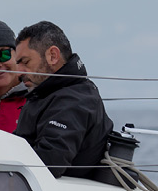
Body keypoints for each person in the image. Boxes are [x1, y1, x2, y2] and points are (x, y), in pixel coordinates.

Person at [13, 20, 113, 179]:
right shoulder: (47, 93)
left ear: (53, 56)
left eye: (25, 62)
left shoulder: (75, 100)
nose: (18, 73)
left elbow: (48, 163)